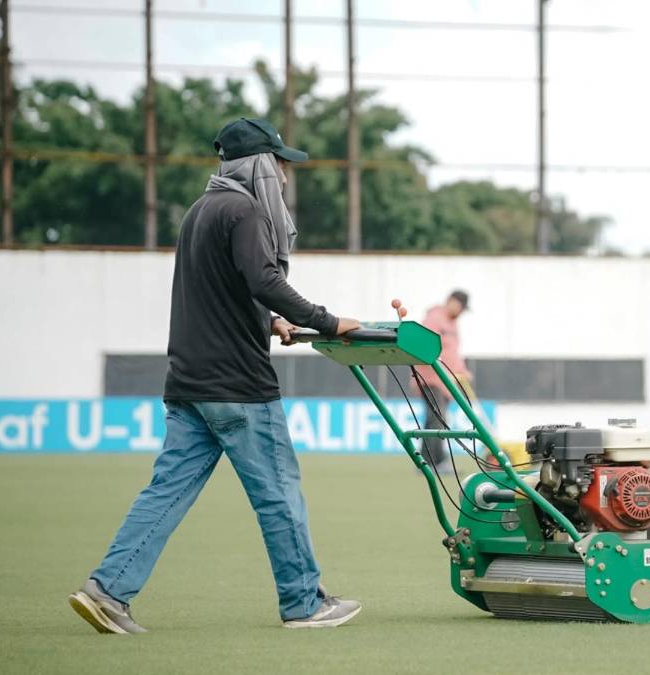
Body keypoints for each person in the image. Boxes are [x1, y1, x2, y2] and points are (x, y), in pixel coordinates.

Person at [68, 117, 366, 634]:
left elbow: (226, 291)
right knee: (280, 494)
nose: (284, 177)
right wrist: (327, 320)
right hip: (240, 389)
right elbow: (264, 278)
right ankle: (304, 603)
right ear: (258, 166)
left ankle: (107, 590)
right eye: (278, 164)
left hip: (189, 386)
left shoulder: (201, 211)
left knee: (166, 494)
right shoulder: (245, 210)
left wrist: (272, 322)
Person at [414, 290, 472, 474]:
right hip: (430, 379)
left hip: (447, 382)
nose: (461, 312)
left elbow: (453, 353)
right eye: (461, 307)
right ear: (453, 302)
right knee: (438, 420)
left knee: (434, 421)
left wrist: (461, 371)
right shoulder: (434, 319)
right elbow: (424, 347)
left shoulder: (453, 324)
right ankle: (437, 462)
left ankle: (425, 462)